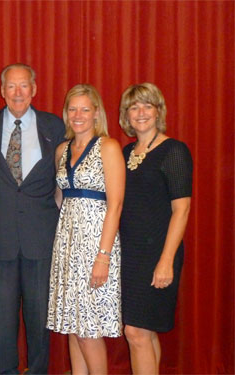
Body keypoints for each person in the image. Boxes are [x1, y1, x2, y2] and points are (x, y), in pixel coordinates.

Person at [0, 63, 65, 374]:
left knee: (39, 319)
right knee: (4, 319)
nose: (18, 93)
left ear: (34, 89)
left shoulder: (54, 126)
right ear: (2, 91)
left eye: (24, 86)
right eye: (11, 86)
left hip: (41, 238)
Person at [46, 84, 125, 374]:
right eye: (72, 109)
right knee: (72, 324)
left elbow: (115, 204)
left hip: (97, 246)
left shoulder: (108, 147)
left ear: (96, 114)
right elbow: (60, 198)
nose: (78, 115)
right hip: (67, 245)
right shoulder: (62, 150)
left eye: (85, 109)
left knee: (89, 328)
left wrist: (103, 256)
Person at [118, 83, 192, 375]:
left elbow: (181, 210)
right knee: (143, 333)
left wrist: (165, 261)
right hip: (132, 255)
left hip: (160, 253)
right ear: (126, 115)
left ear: (158, 111)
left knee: (135, 332)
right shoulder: (125, 152)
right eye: (134, 107)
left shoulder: (173, 151)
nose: (141, 112)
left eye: (147, 105)